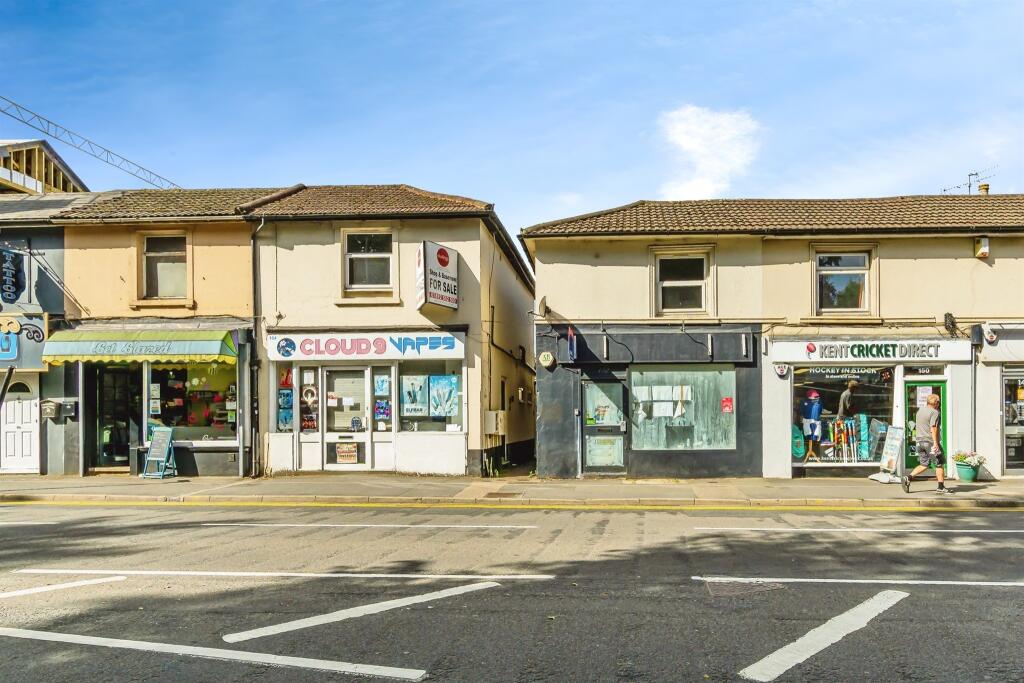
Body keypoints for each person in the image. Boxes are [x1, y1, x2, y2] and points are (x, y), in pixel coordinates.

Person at [902, 393, 953, 494]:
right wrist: (936, 443)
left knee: (924, 464)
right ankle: (941, 487)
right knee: (939, 464)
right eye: (938, 402)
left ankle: (908, 477)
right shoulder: (934, 412)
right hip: (930, 442)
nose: (939, 404)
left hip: (919, 442)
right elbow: (933, 428)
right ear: (936, 402)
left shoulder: (920, 411)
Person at [799, 389, 823, 461]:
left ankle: (811, 451)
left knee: (814, 437)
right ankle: (809, 451)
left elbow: (820, 411)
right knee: (808, 437)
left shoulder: (819, 402)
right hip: (807, 423)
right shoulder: (804, 402)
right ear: (808, 396)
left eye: (816, 396)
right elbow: (802, 412)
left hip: (815, 423)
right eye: (814, 396)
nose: (815, 398)